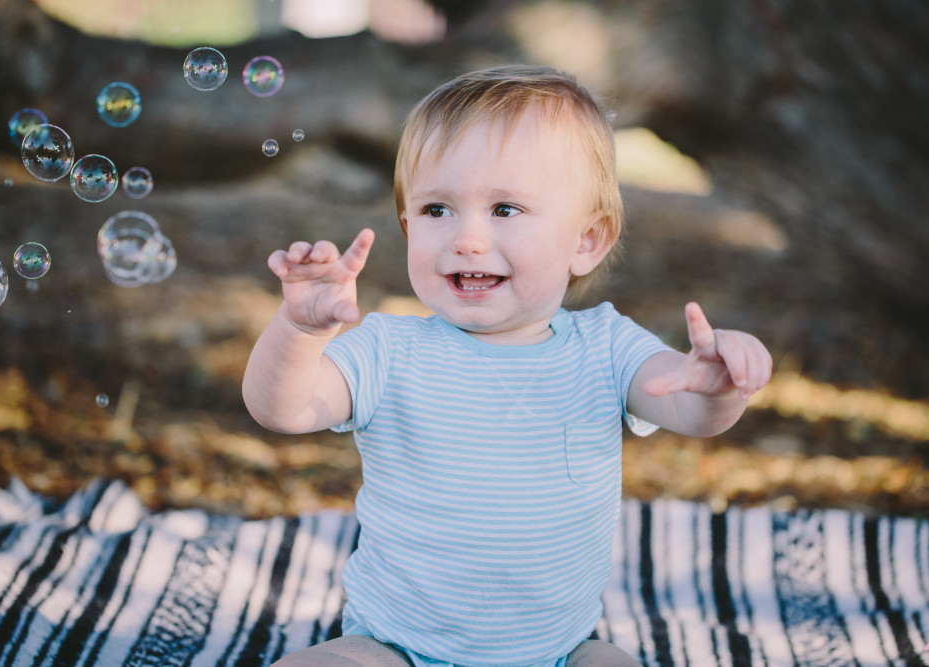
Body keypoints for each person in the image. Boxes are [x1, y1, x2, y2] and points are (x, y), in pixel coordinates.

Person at [243, 65, 772, 667]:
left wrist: (715, 387)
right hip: (397, 648)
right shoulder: (387, 350)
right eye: (437, 209)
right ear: (407, 224)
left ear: (587, 241)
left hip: (554, 654)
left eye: (505, 209)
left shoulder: (606, 347)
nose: (467, 238)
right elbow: (281, 409)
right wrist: (299, 331)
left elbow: (689, 408)